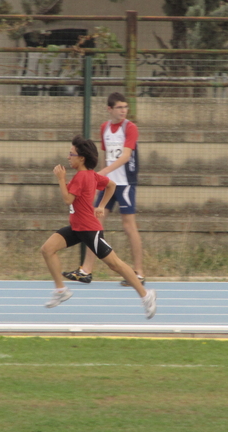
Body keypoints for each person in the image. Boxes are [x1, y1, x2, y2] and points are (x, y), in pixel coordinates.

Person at [40, 135, 156, 319]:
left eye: (72, 154)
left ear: (82, 158)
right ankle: (61, 290)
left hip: (89, 230)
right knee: (47, 249)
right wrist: (101, 206)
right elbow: (111, 185)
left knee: (115, 264)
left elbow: (67, 199)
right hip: (77, 228)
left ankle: (145, 295)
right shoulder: (91, 175)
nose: (68, 157)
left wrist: (61, 179)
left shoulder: (81, 177)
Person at [62, 92, 145, 287]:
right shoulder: (105, 128)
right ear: (109, 109)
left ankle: (139, 272)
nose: (123, 111)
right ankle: (86, 271)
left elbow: (125, 156)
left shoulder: (130, 128)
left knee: (128, 226)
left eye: (125, 107)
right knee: (94, 223)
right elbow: (107, 153)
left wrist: (103, 172)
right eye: (119, 107)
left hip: (124, 183)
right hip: (108, 184)